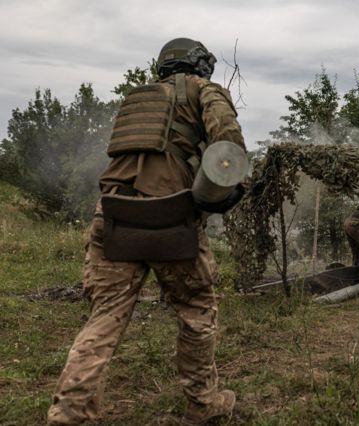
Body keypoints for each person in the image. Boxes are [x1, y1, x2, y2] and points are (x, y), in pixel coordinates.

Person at [47, 38, 245, 426]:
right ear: (199, 65)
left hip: (113, 215)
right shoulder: (204, 90)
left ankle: (69, 415)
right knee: (196, 309)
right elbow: (228, 149)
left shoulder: (136, 99)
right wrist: (224, 193)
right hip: (168, 217)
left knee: (103, 319)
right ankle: (204, 403)